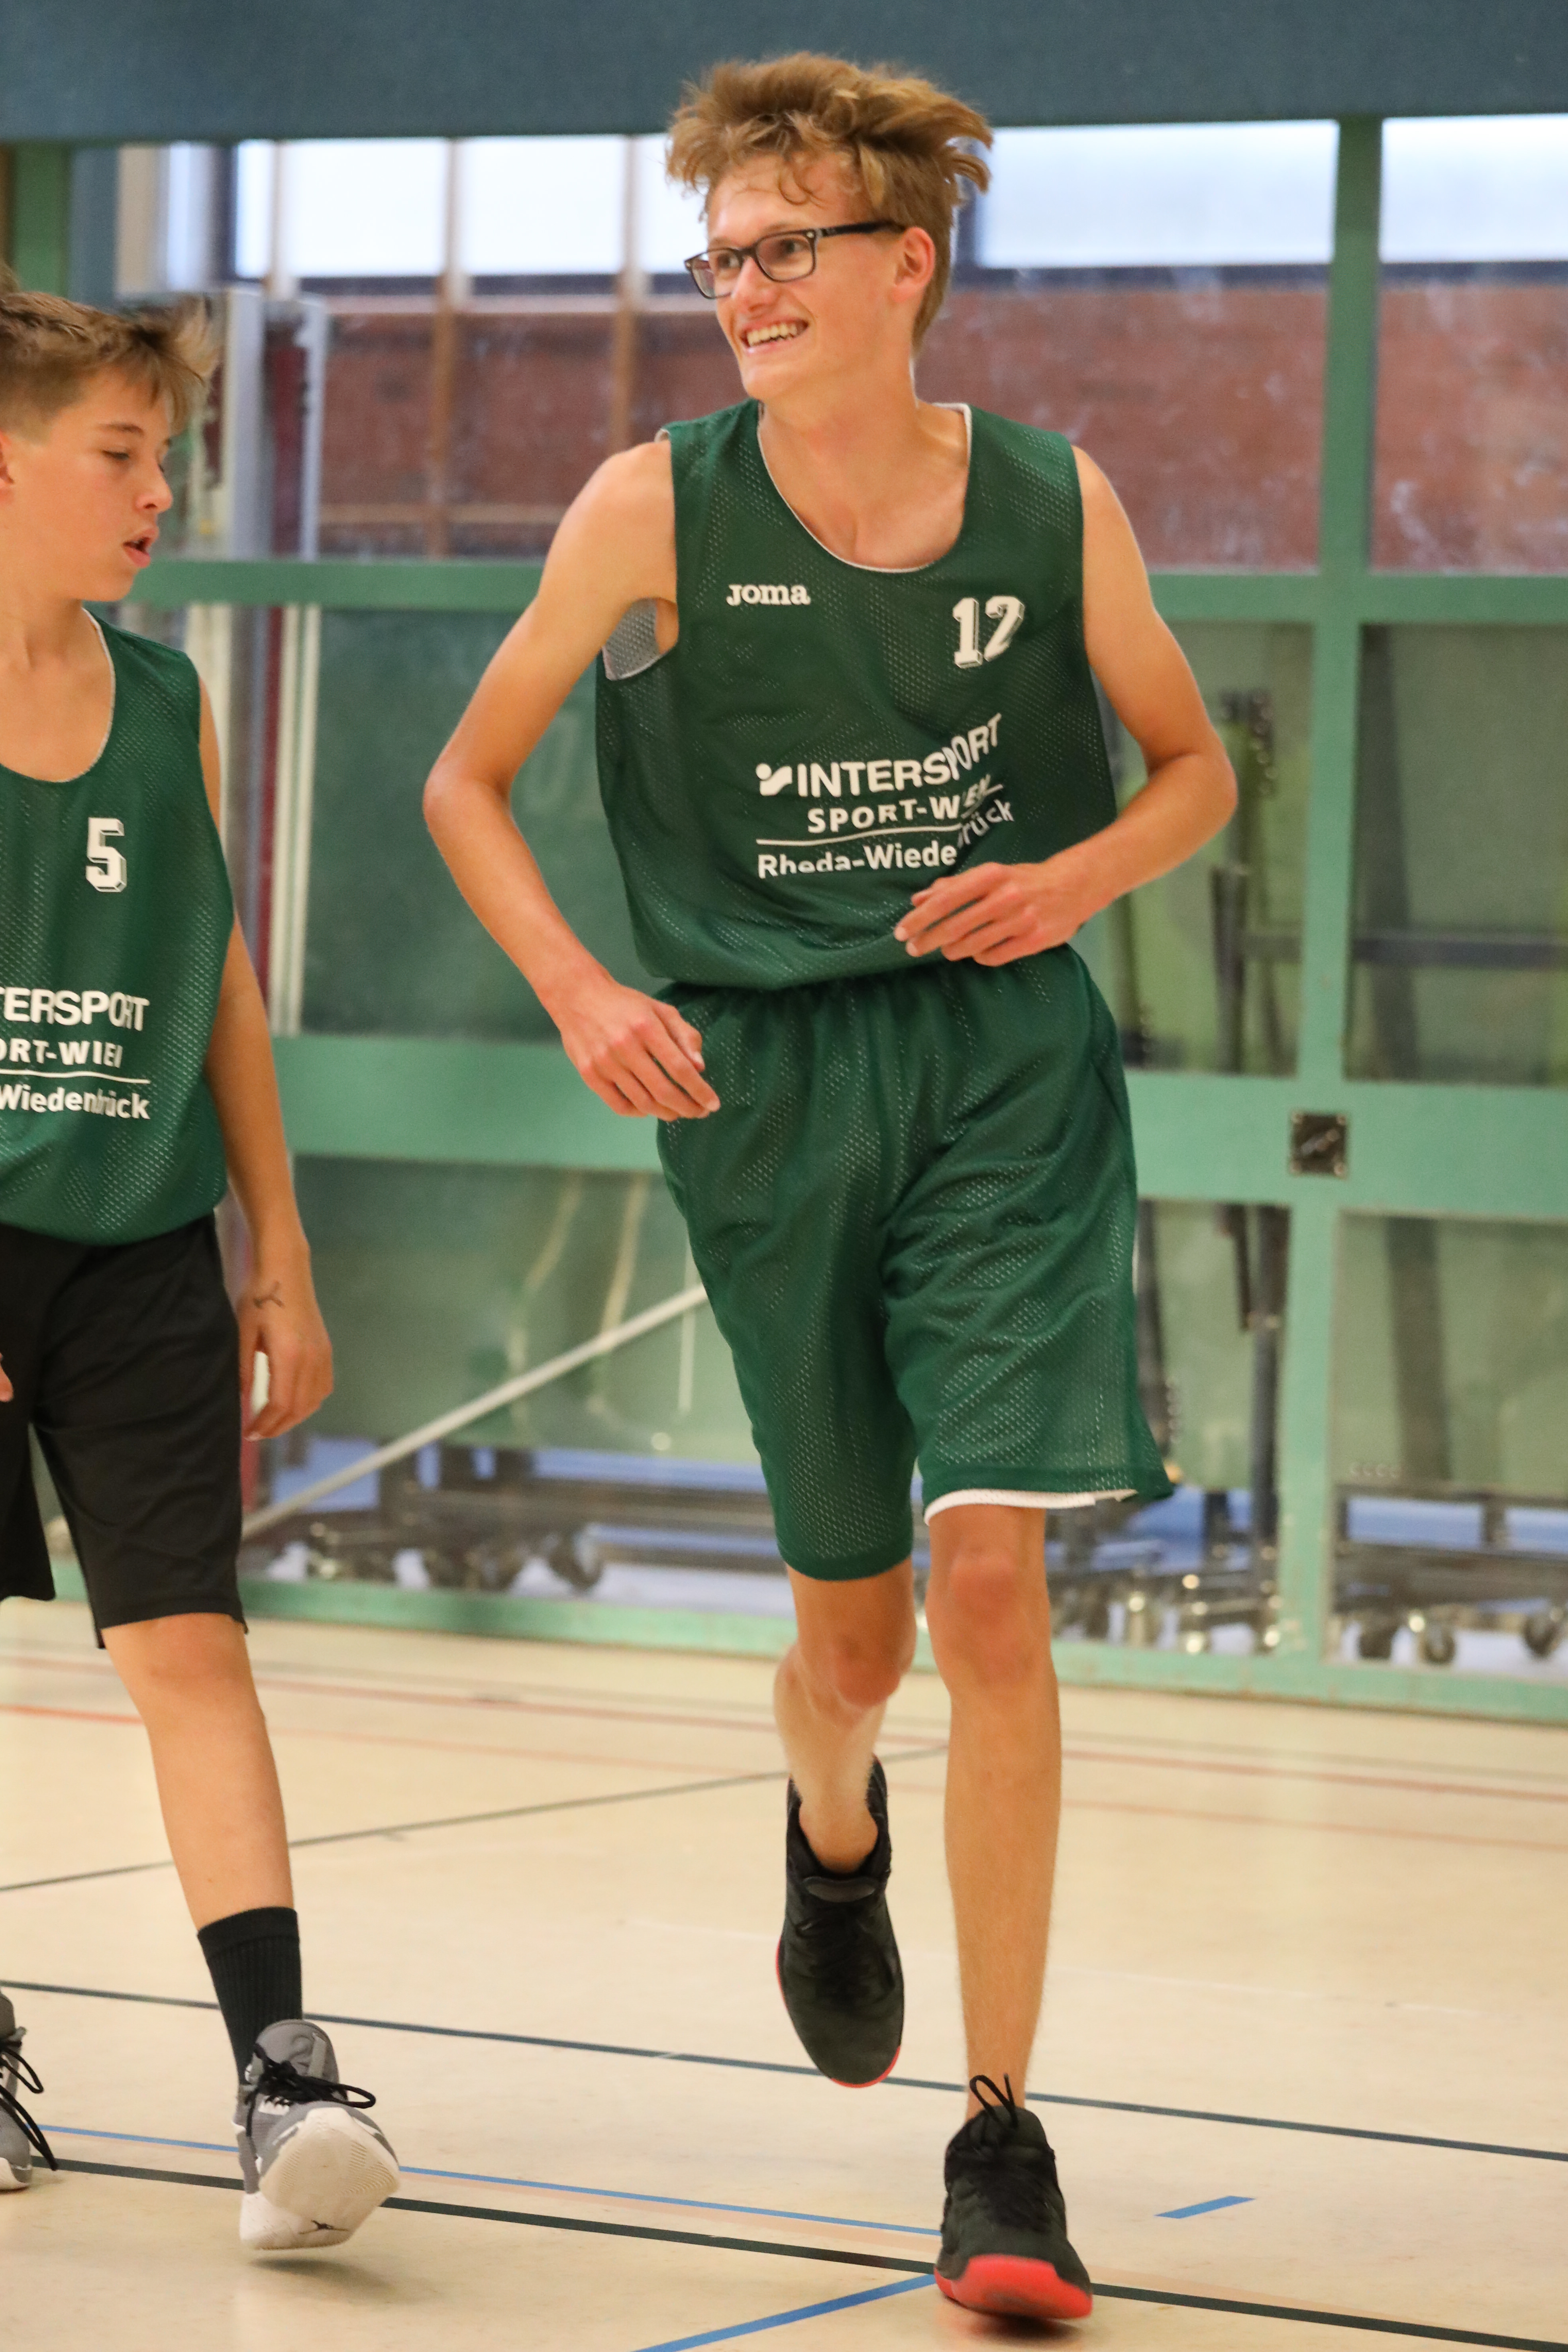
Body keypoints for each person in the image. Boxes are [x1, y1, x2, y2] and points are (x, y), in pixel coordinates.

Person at [424, 54, 1234, 2323]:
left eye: (787, 248)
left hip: (1000, 1064)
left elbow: (1196, 768)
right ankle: (830, 1820)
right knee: (856, 1646)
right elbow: (468, 783)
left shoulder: (1053, 502)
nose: (747, 290)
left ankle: (1001, 2140)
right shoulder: (651, 509)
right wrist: (584, 988)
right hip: (763, 1084)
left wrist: (1068, 879)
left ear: (907, 264)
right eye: (721, 258)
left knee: (993, 1592)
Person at [0, 279, 398, 2252]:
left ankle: (283, 2077)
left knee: (192, 1648)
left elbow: (217, 974)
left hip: (142, 1244)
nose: (161, 490)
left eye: (167, 456)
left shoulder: (168, 699)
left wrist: (281, 1249)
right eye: (120, 453)